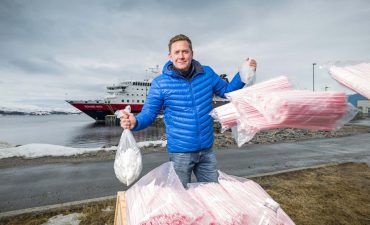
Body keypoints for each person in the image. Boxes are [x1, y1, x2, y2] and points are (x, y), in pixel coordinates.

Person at [120, 34, 256, 187]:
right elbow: (149, 113)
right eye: (177, 52)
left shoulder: (207, 73)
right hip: (180, 154)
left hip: (206, 150)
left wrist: (244, 74)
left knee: (212, 193)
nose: (181, 56)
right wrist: (135, 121)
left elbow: (227, 91)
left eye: (185, 51)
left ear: (192, 53)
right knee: (181, 197)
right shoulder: (160, 83)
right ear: (170, 56)